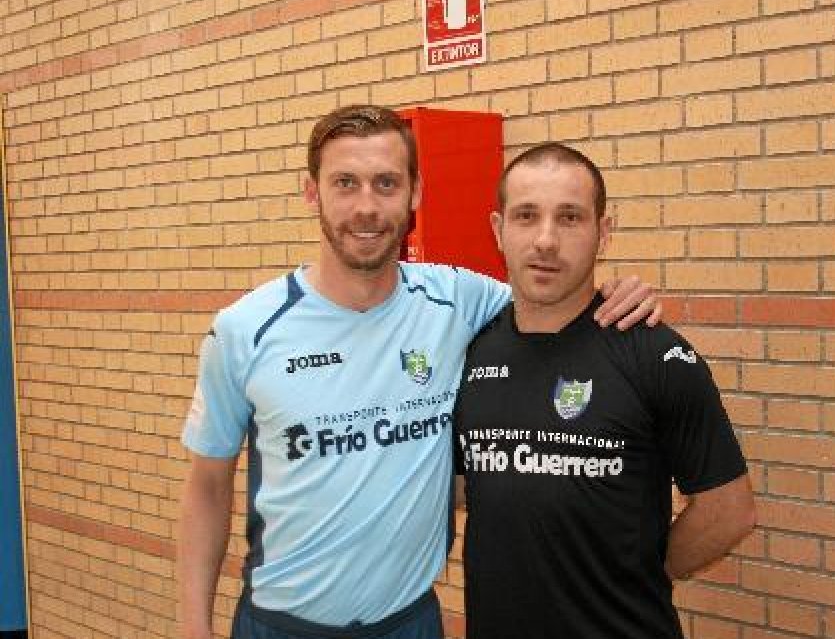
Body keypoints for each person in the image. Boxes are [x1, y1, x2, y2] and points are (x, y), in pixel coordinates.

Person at [178, 106, 660, 639]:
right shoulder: (245, 330)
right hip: (280, 627)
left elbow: (552, 300)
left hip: (411, 623)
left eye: (386, 183)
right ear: (312, 192)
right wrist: (193, 627)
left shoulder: (458, 300)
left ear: (415, 193)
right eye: (345, 183)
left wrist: (616, 293)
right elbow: (207, 487)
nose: (366, 207)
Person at [453, 143, 756, 639]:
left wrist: (639, 573)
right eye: (526, 216)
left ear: (603, 232)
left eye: (570, 218)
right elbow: (469, 485)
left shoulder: (653, 355)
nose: (546, 240)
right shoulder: (468, 351)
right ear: (498, 230)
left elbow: (730, 511)